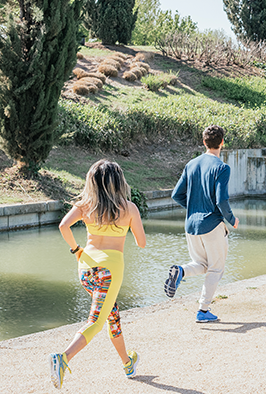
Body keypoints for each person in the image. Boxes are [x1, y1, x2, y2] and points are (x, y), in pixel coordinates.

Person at [51, 160, 147, 388]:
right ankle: (62, 358)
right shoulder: (129, 208)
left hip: (85, 269)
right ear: (119, 181)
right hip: (109, 271)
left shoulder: (86, 204)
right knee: (95, 321)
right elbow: (142, 243)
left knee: (111, 315)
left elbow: (64, 226)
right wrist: (125, 228)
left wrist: (76, 249)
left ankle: (127, 362)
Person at [164, 125, 239, 323]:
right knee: (216, 269)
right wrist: (232, 220)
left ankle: (180, 271)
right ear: (222, 142)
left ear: (204, 142)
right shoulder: (222, 168)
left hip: (191, 225)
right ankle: (203, 310)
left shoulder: (191, 164)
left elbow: (176, 194)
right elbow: (221, 201)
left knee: (202, 264)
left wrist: (193, 207)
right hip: (212, 225)